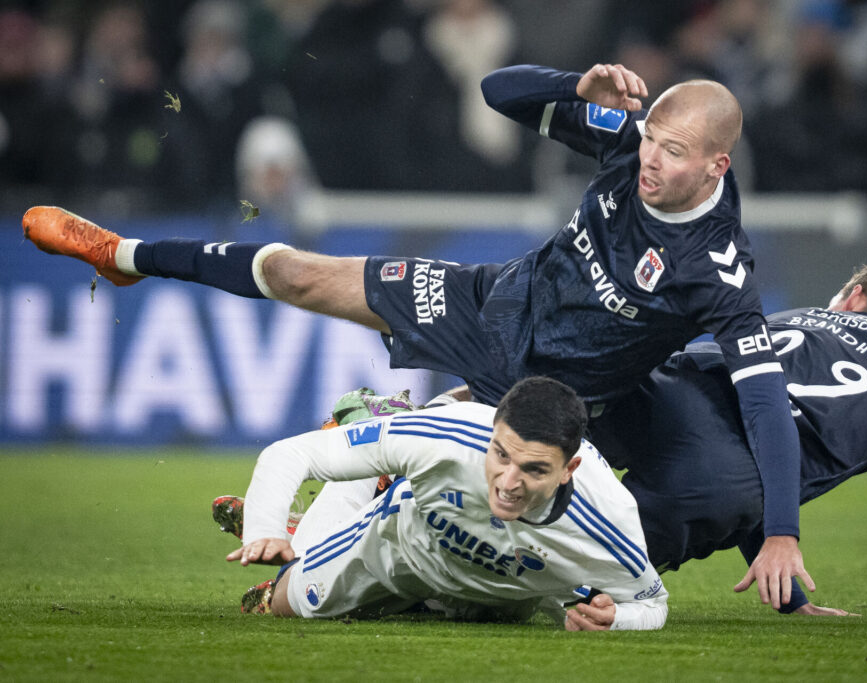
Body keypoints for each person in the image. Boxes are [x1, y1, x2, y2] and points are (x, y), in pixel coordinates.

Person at [22, 61, 808, 608]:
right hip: (487, 299)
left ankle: (323, 513)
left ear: (716, 165)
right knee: (302, 273)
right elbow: (498, 92)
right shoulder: (627, 140)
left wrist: (780, 534)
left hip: (532, 396)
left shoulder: (720, 271)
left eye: (672, 153)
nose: (649, 160)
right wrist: (578, 86)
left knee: (437, 511)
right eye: (649, 140)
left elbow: (767, 406)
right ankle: (123, 254)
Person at [587, 264, 867, 618]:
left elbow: (760, 418)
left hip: (664, 385)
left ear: (855, 295)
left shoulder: (799, 316)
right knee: (568, 576)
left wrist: (790, 599)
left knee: (534, 478)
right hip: (721, 476)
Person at [216, 375, 667, 630]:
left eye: (533, 470)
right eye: (501, 456)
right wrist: (264, 527)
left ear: (568, 470)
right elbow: (290, 453)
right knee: (276, 602)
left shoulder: (609, 523)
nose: (508, 484)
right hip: (398, 548)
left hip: (501, 603)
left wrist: (616, 621)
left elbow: (653, 604)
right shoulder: (453, 438)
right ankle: (375, 452)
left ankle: (308, 531)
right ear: (491, 435)